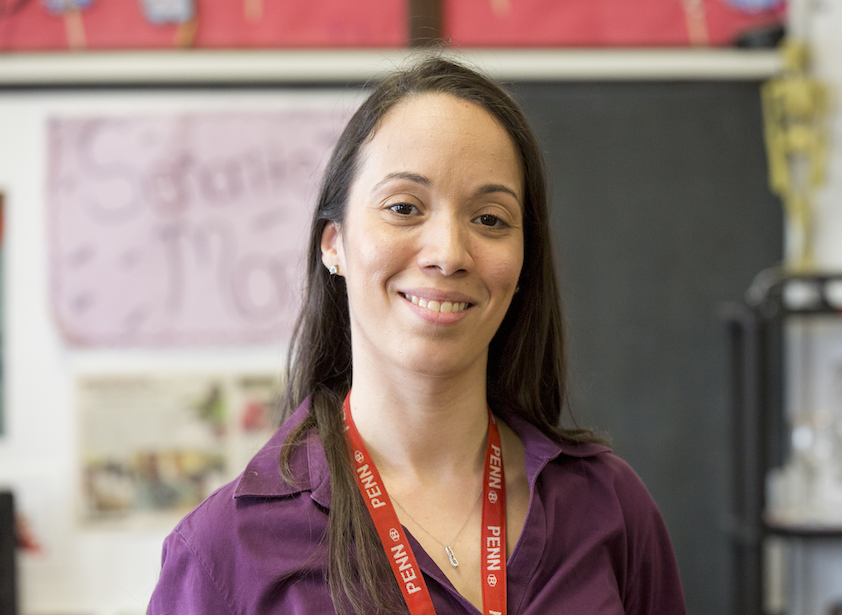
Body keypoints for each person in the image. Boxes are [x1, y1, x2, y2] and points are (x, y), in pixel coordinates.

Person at [147, 56, 686, 615]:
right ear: (334, 244)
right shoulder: (225, 552)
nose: (449, 253)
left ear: (525, 259)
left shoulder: (610, 508)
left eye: (490, 219)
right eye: (404, 207)